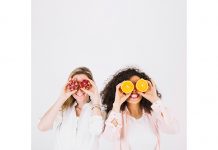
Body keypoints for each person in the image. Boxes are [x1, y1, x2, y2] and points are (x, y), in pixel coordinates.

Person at [99, 67, 179, 150]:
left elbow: (173, 129)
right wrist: (117, 105)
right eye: (129, 86)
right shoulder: (116, 116)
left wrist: (155, 100)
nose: (134, 90)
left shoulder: (153, 114)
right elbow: (110, 137)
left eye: (138, 85)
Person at [38, 67, 104, 150]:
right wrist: (62, 98)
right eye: (75, 83)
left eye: (84, 83)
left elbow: (97, 130)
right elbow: (42, 127)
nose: (79, 89)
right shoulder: (63, 109)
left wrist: (96, 101)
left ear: (91, 85)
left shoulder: (98, 111)